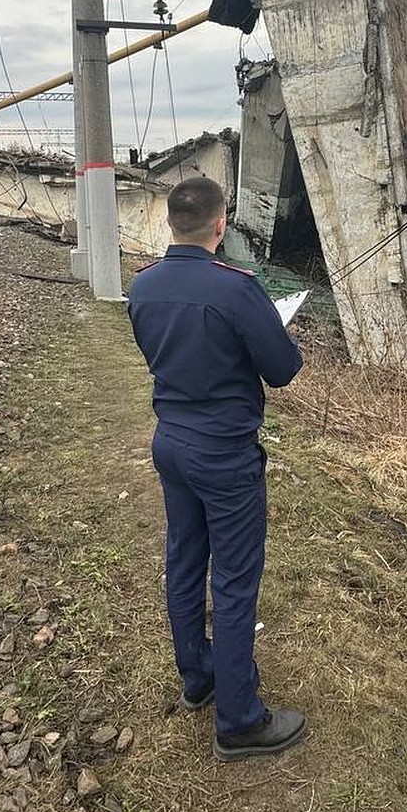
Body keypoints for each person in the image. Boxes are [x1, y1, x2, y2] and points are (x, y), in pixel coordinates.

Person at [127, 176, 306, 762]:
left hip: (171, 444)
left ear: (170, 223)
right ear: (220, 224)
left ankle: (198, 678)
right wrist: (271, 328)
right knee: (233, 579)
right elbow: (280, 370)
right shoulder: (237, 289)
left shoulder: (143, 287)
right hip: (224, 454)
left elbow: (162, 352)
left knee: (184, 559)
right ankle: (240, 720)